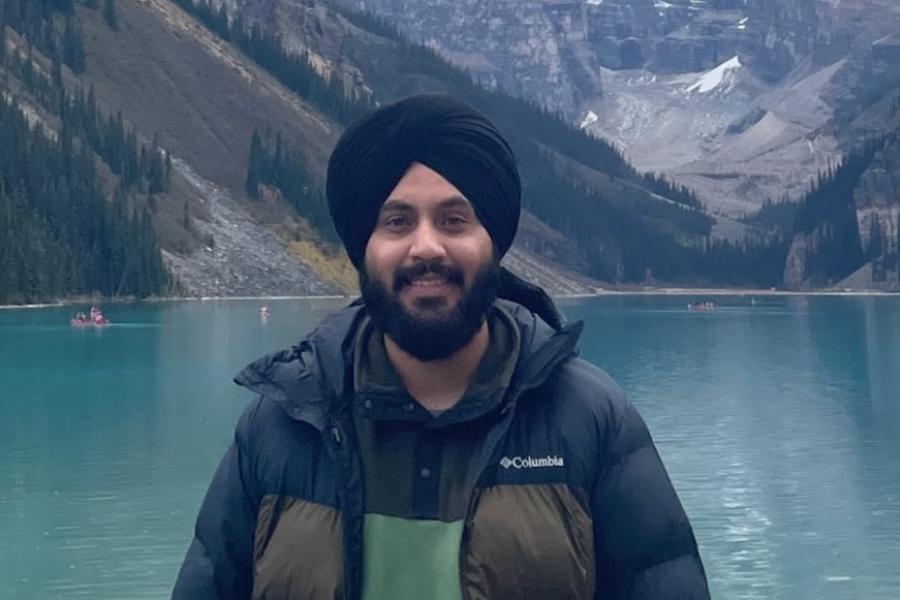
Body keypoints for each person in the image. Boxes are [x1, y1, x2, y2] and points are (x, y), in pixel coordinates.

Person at [172, 94, 710, 599]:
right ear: (364, 247)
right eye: (397, 222)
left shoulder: (590, 419)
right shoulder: (282, 423)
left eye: (454, 220)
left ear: (492, 242)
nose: (426, 247)